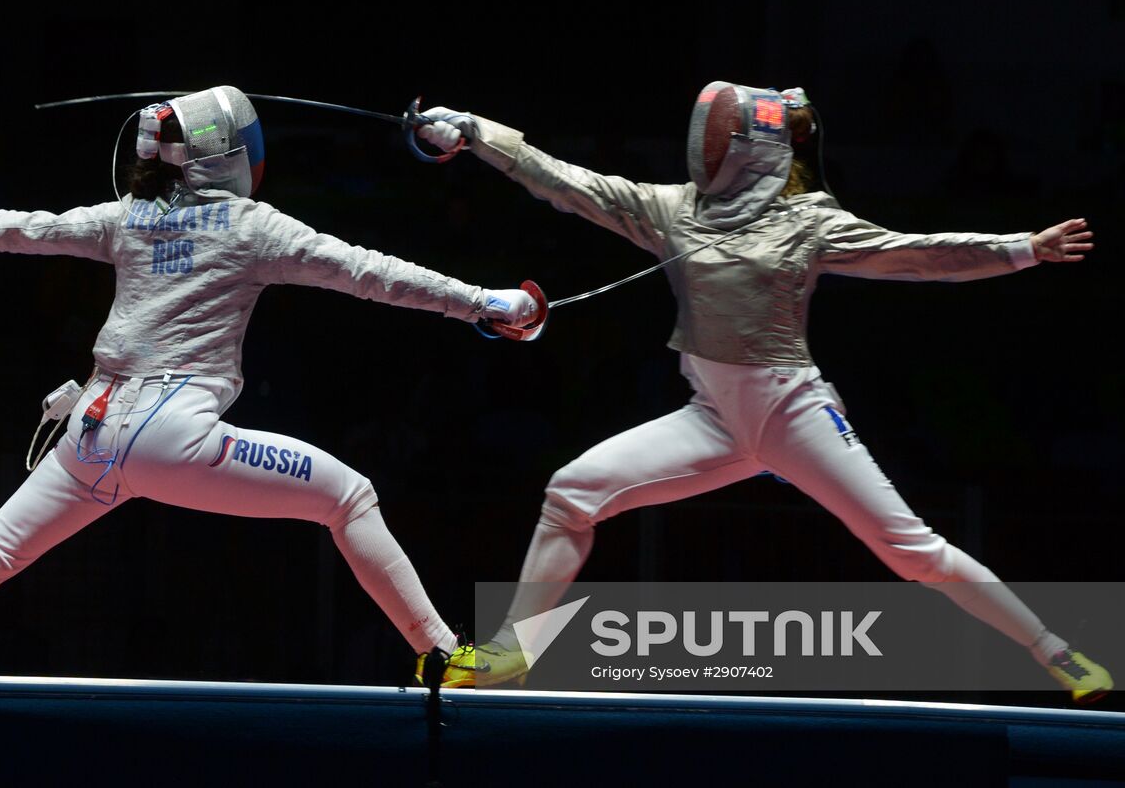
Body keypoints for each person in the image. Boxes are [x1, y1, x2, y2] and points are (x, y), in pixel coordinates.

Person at [0, 85, 540, 688]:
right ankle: (444, 657)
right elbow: (373, 274)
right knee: (349, 497)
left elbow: (22, 228)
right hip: (173, 432)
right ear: (229, 154)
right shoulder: (251, 225)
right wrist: (486, 304)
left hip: (91, 431)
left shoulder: (127, 219)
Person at [415, 82, 1110, 703]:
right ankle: (514, 653)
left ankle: (1055, 649)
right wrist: (474, 130)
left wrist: (1022, 247)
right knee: (573, 492)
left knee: (912, 552)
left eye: (718, 137)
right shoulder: (670, 210)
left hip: (794, 414)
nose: (705, 149)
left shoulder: (809, 222)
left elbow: (918, 255)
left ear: (752, 150)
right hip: (713, 420)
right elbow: (562, 179)